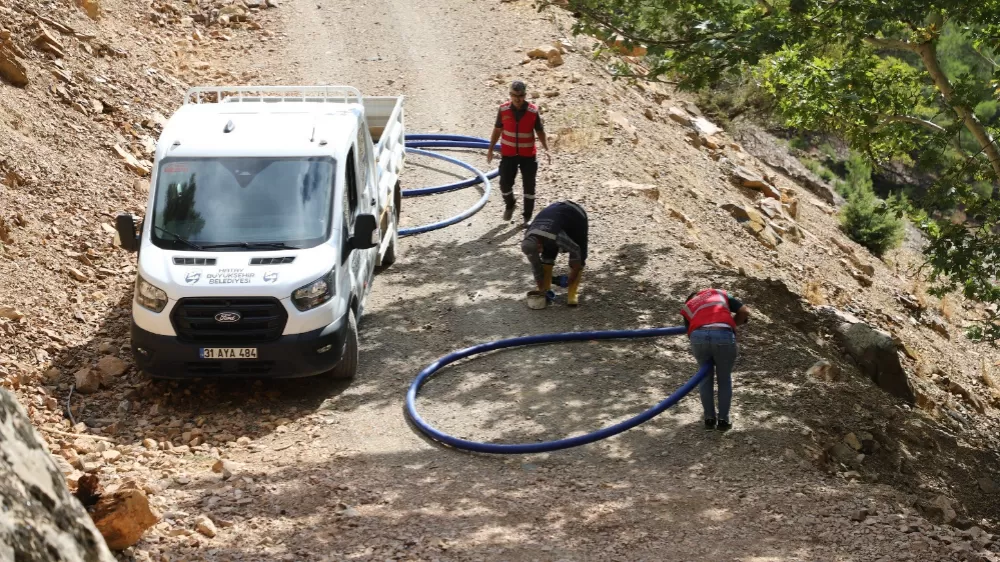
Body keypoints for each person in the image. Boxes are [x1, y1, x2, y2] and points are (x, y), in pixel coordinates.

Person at [679, 288, 751, 432]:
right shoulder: (720, 293)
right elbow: (744, 311)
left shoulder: (689, 305)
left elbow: (689, 332)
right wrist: (733, 324)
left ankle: (709, 419)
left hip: (698, 337)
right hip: (723, 335)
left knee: (705, 378)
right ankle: (723, 420)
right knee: (724, 379)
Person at [487, 80, 551, 226]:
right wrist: (490, 149)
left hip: (528, 156)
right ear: (510, 95)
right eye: (514, 95)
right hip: (509, 155)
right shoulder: (503, 110)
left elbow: (540, 131)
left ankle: (527, 217)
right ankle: (510, 204)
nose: (518, 99)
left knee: (529, 187)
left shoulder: (533, 111)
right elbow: (497, 130)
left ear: (525, 95)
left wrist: (546, 149)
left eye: (521, 96)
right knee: (504, 184)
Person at [520, 201, 587, 307]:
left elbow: (575, 251)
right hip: (555, 220)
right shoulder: (529, 241)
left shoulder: (555, 235)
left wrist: (572, 277)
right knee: (547, 253)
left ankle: (572, 292)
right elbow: (536, 265)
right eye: (537, 252)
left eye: (538, 249)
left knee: (580, 252)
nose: (539, 252)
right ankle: (545, 289)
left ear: (538, 243)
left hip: (576, 217)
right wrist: (541, 288)